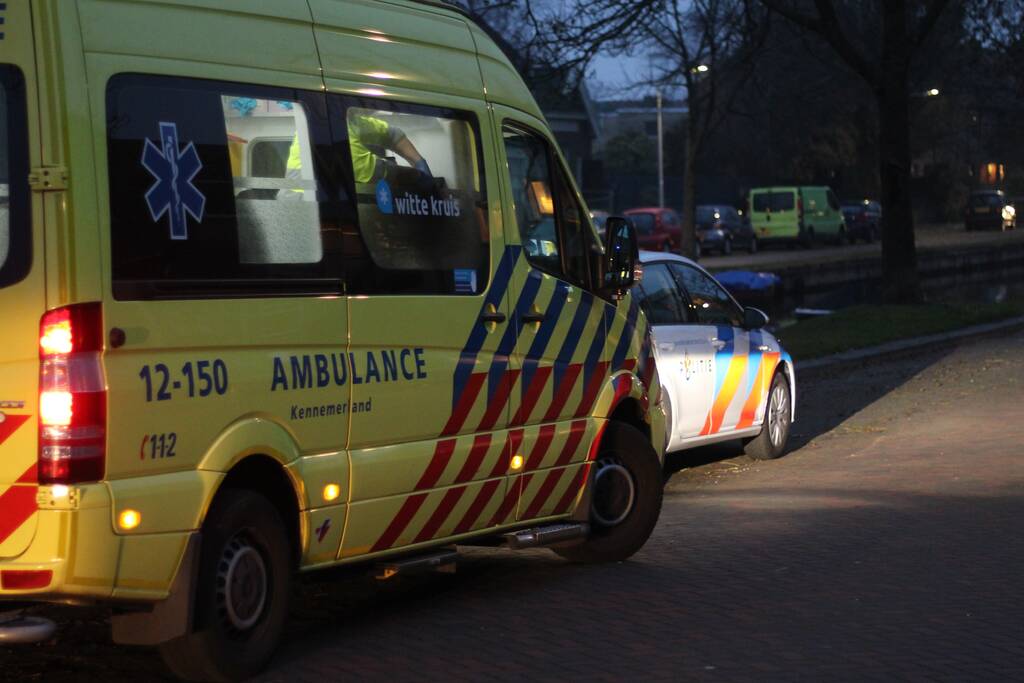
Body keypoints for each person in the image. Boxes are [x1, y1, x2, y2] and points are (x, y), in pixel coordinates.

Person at [283, 112, 432, 191]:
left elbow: (392, 134)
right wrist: (419, 177)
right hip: (302, 206)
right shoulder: (330, 130)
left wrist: (418, 161)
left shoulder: (349, 120)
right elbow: (378, 171)